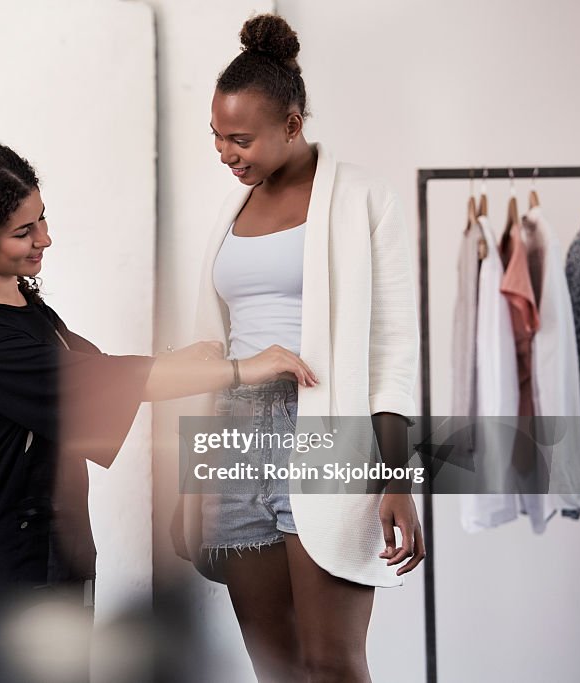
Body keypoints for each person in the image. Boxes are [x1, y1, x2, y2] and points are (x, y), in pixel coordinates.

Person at [0, 138, 316, 682]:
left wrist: (180, 359)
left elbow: (96, 364)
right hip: (8, 558)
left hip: (56, 544)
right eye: (24, 232)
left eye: (41, 219)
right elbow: (98, 383)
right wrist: (242, 369)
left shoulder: (21, 302)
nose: (45, 238)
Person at [171, 14, 425, 683]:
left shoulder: (365, 199)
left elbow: (393, 346)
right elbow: (210, 349)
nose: (226, 153)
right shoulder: (231, 214)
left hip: (323, 433)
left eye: (241, 138)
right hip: (232, 433)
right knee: (276, 667)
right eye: (217, 137)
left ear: (292, 123)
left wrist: (395, 475)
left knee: (331, 662)